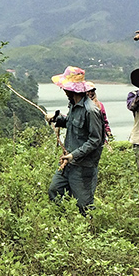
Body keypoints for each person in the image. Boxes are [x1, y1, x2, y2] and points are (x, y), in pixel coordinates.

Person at [46, 66, 104, 214]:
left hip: (83, 166)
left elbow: (95, 140)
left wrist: (73, 155)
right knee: (55, 189)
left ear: (73, 89)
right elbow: (71, 122)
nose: (64, 91)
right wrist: (57, 119)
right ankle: (65, 225)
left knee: (85, 207)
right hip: (69, 163)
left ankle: (89, 232)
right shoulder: (73, 104)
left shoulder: (91, 111)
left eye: (65, 88)